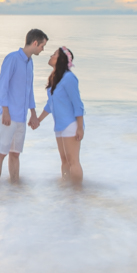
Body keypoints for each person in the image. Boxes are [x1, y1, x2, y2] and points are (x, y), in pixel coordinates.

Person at [0, 28, 48, 183]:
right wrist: (5, 110)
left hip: (21, 117)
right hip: (7, 115)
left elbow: (28, 91)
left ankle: (14, 188)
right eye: (42, 46)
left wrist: (33, 113)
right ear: (35, 43)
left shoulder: (30, 64)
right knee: (1, 153)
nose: (43, 50)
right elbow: (2, 86)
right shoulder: (12, 58)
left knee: (15, 154)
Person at [35, 46, 85, 185]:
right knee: (64, 160)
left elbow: (78, 104)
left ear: (61, 59)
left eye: (54, 54)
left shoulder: (69, 78)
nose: (50, 56)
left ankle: (77, 193)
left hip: (71, 124)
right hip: (59, 126)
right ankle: (66, 189)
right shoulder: (54, 79)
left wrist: (80, 127)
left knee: (73, 161)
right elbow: (50, 104)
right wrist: (38, 120)